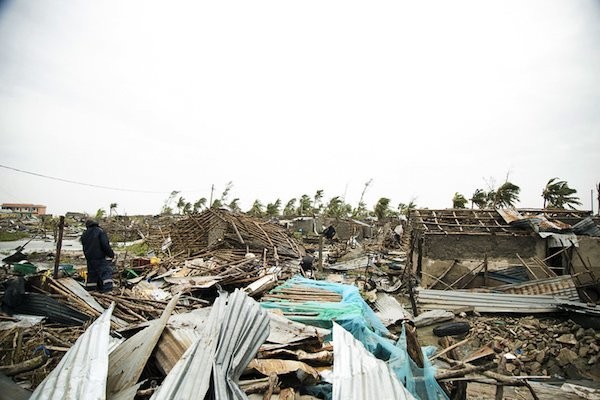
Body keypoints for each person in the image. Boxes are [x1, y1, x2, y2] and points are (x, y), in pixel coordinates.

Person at [81, 219, 114, 292]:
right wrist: (111, 254)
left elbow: (84, 246)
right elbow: (105, 245)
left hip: (89, 258)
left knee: (92, 275)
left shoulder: (85, 234)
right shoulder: (100, 231)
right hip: (99, 257)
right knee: (106, 272)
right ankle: (108, 290)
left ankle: (91, 290)